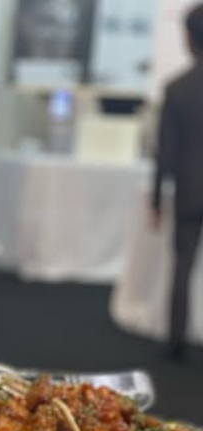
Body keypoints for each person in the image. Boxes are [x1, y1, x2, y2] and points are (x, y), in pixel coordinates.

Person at [152, 2, 203, 360]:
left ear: (188, 38)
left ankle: (175, 340)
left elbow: (164, 152)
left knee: (182, 264)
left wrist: (156, 198)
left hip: (189, 188)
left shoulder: (177, 88)